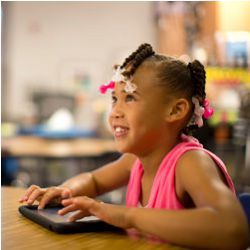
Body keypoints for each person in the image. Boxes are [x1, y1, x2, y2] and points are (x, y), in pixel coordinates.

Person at [19, 44, 248, 249]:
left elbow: (232, 228)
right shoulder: (135, 160)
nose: (116, 111)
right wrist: (66, 191)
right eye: (114, 99)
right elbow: (94, 180)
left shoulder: (189, 163)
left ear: (175, 111)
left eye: (129, 98)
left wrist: (128, 216)